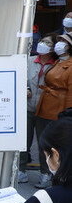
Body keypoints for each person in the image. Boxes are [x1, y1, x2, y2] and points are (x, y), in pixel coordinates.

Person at [34, 34, 72, 188]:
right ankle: (45, 173)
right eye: (59, 41)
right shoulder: (57, 62)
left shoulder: (69, 64)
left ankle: (55, 175)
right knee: (43, 140)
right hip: (46, 104)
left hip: (59, 107)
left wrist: (68, 113)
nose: (59, 44)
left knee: (56, 144)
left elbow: (70, 92)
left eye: (63, 41)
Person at [22, 36, 56, 183]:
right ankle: (21, 170)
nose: (43, 44)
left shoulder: (57, 64)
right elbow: (22, 77)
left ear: (53, 47)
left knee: (44, 143)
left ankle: (45, 173)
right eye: (42, 41)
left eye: (48, 42)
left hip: (45, 109)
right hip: (27, 107)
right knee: (23, 141)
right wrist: (26, 88)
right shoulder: (30, 60)